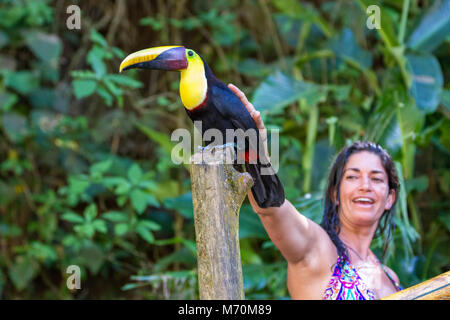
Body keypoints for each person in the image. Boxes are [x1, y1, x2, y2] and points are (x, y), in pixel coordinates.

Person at [227, 83, 403, 300]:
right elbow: (272, 208)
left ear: (390, 198)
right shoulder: (316, 248)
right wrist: (254, 148)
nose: (365, 186)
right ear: (334, 194)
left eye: (376, 178)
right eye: (353, 176)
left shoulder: (390, 277)